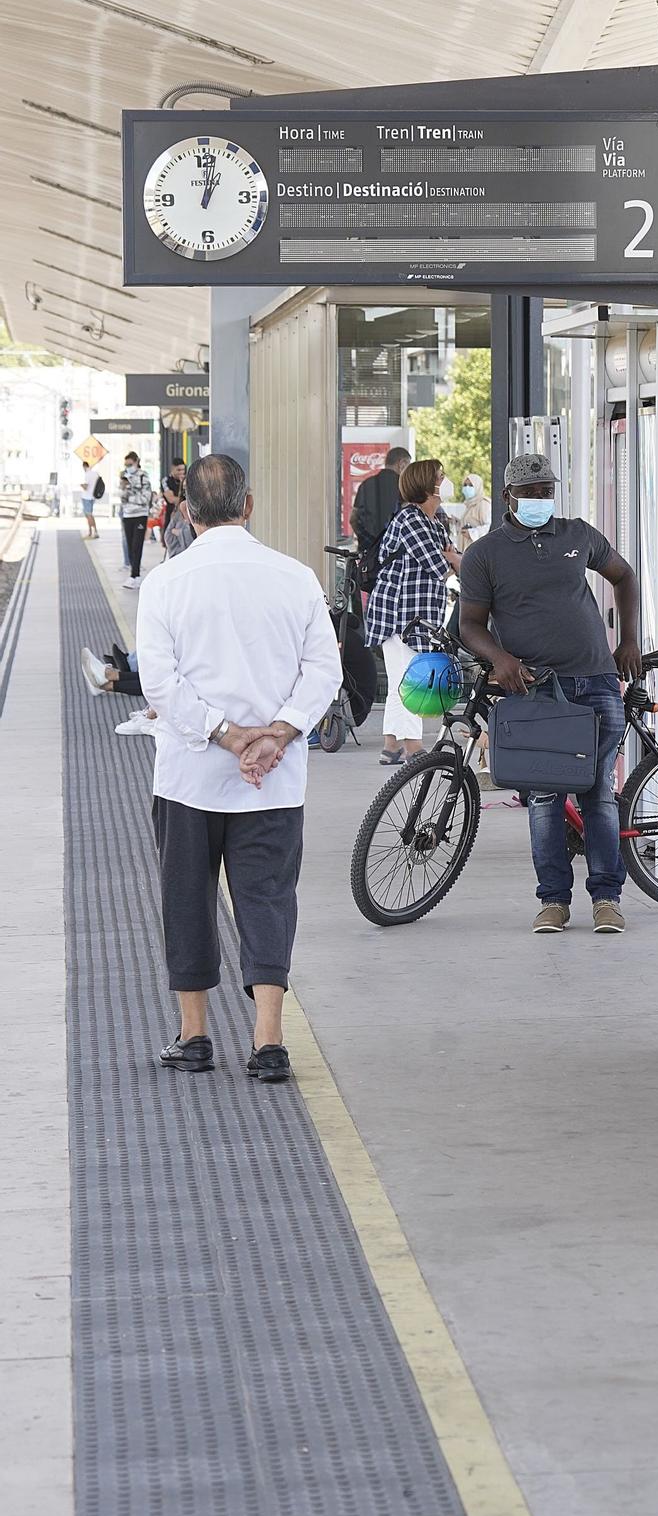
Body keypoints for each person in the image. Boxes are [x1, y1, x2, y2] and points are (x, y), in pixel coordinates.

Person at [135, 454, 341, 1082]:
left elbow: (159, 683)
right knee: (269, 899)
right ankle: (269, 1041)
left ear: (187, 512)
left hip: (190, 777)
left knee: (187, 898)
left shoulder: (166, 583)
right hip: (274, 780)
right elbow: (323, 672)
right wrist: (276, 735)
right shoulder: (296, 577)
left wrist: (226, 737)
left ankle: (194, 1036)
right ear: (248, 506)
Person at [458, 451, 642, 935]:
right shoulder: (485, 554)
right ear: (508, 497)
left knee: (599, 792)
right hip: (537, 690)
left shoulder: (577, 534)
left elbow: (624, 576)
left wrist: (628, 639)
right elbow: (469, 625)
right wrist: (500, 659)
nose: (541, 500)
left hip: (597, 680)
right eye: (530, 493)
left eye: (546, 492)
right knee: (543, 796)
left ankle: (607, 899)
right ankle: (553, 902)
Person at [363, 459, 452, 765]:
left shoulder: (433, 521)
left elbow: (450, 555)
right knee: (410, 682)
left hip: (415, 614)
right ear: (428, 486)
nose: (446, 482)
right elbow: (440, 564)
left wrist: (452, 556)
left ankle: (390, 746)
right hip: (400, 615)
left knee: (401, 680)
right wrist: (451, 557)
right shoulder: (411, 519)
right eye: (441, 477)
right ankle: (413, 747)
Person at [351, 446, 411, 586]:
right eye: (407, 465)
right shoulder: (405, 488)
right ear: (401, 463)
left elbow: (354, 518)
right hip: (396, 558)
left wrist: (369, 542)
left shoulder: (366, 484)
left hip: (369, 558)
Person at [119, 450, 153, 590]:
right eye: (126, 464)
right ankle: (134, 575)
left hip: (140, 515)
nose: (128, 467)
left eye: (130, 464)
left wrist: (130, 496)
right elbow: (122, 497)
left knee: (136, 545)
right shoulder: (124, 476)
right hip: (127, 515)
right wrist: (125, 490)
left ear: (136, 462)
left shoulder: (143, 476)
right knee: (129, 544)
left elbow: (146, 498)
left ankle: (135, 575)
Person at [457, 473, 491, 549]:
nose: (467, 488)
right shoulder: (469, 504)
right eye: (465, 485)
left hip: (477, 549)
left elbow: (488, 526)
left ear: (477, 487)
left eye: (471, 485)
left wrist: (472, 533)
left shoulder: (483, 503)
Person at [80, 460, 100, 538]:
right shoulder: (95, 474)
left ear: (84, 466)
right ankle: (91, 532)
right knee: (89, 515)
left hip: (86, 497)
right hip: (93, 496)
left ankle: (94, 532)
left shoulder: (87, 474)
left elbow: (86, 487)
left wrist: (81, 485)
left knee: (89, 515)